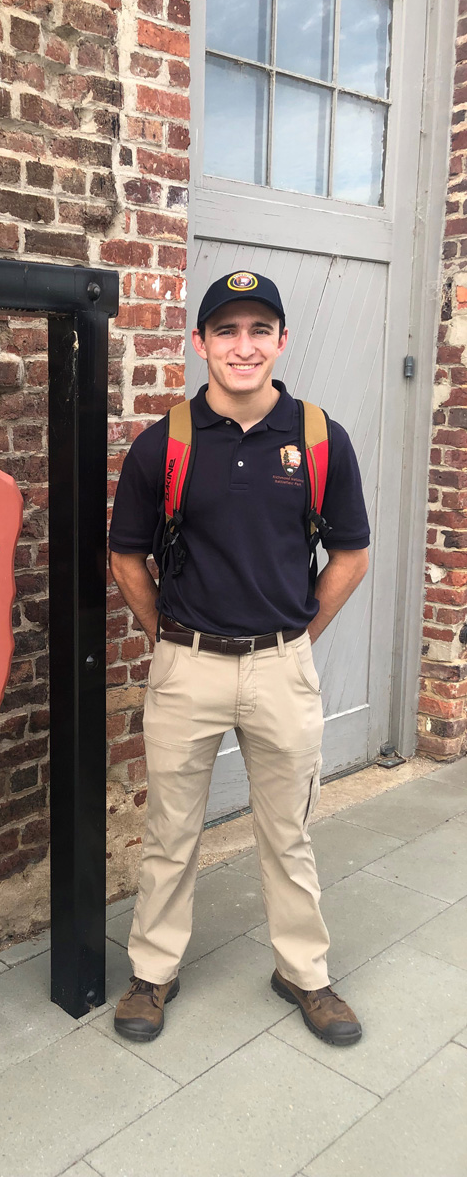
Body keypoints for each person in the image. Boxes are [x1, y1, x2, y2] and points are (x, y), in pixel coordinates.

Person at [108, 271, 370, 1047]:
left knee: (287, 831)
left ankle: (304, 972)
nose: (243, 346)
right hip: (187, 665)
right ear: (201, 344)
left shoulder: (321, 438)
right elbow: (126, 560)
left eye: (260, 330)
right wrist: (168, 634)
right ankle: (153, 971)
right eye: (227, 331)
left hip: (281, 667)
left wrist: (296, 638)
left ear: (281, 341)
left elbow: (351, 556)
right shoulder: (167, 443)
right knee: (171, 831)